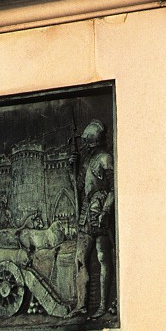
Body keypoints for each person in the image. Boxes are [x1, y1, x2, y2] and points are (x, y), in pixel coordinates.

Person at [72, 120, 115, 317]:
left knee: (103, 258)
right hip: (86, 214)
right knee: (80, 259)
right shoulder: (88, 161)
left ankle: (102, 306)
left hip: (100, 212)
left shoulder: (105, 159)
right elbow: (80, 186)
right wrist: (71, 168)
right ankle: (81, 306)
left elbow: (114, 188)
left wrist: (106, 210)